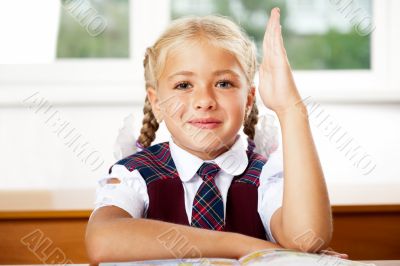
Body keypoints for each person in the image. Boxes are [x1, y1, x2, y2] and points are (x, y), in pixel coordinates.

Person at [86, 7, 346, 263]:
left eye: (224, 84)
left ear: (248, 100)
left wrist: (290, 109)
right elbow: (102, 240)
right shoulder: (135, 174)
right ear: (157, 103)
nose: (204, 101)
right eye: (184, 85)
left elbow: (306, 239)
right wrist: (250, 247)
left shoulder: (266, 176)